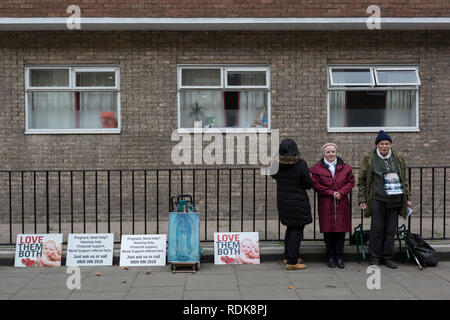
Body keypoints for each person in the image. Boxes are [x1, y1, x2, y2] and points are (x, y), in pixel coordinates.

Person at [358, 130, 412, 269]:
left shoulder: (397, 157)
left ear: (391, 145)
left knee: (390, 230)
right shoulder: (369, 157)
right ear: (377, 145)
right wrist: (362, 199)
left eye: (387, 143)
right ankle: (375, 257)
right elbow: (362, 180)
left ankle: (387, 257)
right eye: (381, 143)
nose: (384, 146)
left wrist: (407, 197)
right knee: (377, 229)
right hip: (377, 198)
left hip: (395, 199)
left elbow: (404, 179)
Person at [310, 143, 354, 269]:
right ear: (324, 153)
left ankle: (340, 256)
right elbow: (316, 185)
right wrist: (331, 193)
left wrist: (341, 192)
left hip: (342, 202)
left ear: (336, 153)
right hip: (326, 203)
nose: (331, 154)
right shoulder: (317, 169)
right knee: (328, 231)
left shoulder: (345, 168)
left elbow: (351, 182)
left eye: (333, 152)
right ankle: (329, 256)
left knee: (341, 231)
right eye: (328, 152)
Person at [271, 138, 313, 270]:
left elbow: (273, 175)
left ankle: (287, 256)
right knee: (297, 229)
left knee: (290, 228)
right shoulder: (300, 164)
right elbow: (308, 184)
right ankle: (292, 262)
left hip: (283, 200)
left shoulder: (276, 164)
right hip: (297, 201)